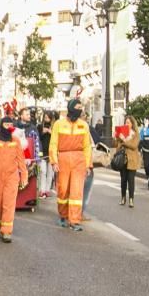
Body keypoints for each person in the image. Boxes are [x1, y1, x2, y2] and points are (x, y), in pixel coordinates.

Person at [49, 98, 92, 231]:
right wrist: (54, 161)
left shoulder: (84, 125)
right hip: (63, 158)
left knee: (76, 191)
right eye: (78, 107)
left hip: (79, 160)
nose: (80, 110)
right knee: (63, 189)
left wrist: (88, 165)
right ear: (71, 107)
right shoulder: (58, 124)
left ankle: (74, 220)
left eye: (81, 107)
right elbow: (53, 144)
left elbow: (87, 146)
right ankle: (63, 216)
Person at [0, 115, 28, 242]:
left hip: (11, 176)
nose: (9, 127)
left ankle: (6, 231)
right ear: (1, 125)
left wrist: (24, 176)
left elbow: (21, 160)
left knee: (9, 203)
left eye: (10, 125)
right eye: (6, 125)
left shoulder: (15, 140)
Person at [114, 116, 141, 208]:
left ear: (132, 124)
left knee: (131, 180)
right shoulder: (122, 133)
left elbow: (134, 145)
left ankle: (131, 199)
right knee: (123, 180)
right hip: (123, 160)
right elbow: (117, 146)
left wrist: (124, 140)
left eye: (129, 122)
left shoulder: (136, 134)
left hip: (132, 160)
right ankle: (123, 198)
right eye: (126, 122)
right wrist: (117, 137)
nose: (127, 124)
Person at [38, 111, 55, 197]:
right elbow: (38, 138)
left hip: (51, 152)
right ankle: (42, 189)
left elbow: (56, 139)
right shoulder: (40, 126)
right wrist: (43, 132)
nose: (46, 119)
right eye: (45, 117)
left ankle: (47, 190)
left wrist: (51, 133)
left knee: (50, 172)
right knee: (43, 171)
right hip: (43, 152)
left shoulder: (54, 127)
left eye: (48, 118)